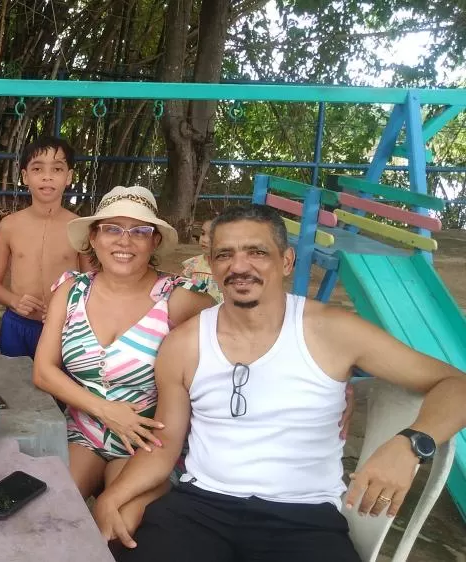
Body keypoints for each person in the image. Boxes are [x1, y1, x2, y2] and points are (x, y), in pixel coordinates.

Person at [100, 204, 466, 562]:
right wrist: (111, 497)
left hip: (303, 518)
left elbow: (455, 383)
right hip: (200, 507)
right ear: (211, 263)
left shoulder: (332, 331)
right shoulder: (183, 344)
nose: (239, 266)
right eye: (225, 254)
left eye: (257, 252)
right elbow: (164, 446)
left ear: (286, 261)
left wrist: (410, 444)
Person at [32, 185, 214, 505]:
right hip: (83, 430)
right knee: (53, 509)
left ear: (155, 241)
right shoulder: (72, 291)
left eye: (140, 231)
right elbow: (43, 371)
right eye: (112, 229)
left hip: (147, 441)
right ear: (93, 238)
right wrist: (105, 410)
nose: (124, 241)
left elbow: (237, 334)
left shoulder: (178, 299)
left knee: (122, 521)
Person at [0, 136, 92, 359]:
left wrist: (67, 310)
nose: (47, 176)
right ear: (25, 176)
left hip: (64, 328)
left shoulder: (80, 228)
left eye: (57, 169)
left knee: (57, 381)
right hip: (16, 325)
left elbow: (93, 286)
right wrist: (14, 301)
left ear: (69, 177)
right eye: (37, 169)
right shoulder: (9, 226)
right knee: (12, 379)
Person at [180, 218, 223, 304]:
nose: (204, 240)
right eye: (203, 233)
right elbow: (181, 282)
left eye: (211, 236)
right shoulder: (194, 263)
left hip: (220, 309)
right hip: (196, 308)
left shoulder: (228, 266)